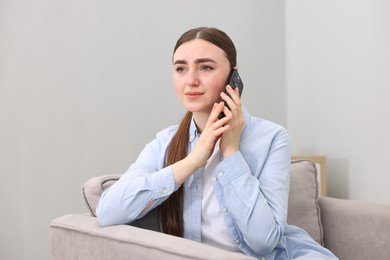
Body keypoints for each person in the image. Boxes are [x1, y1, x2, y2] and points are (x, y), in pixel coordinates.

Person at [96, 27, 337, 259]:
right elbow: (107, 212)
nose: (191, 80)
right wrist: (192, 161)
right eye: (181, 68)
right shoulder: (164, 143)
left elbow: (264, 242)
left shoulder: (272, 138)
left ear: (234, 76)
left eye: (206, 67)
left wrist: (231, 152)